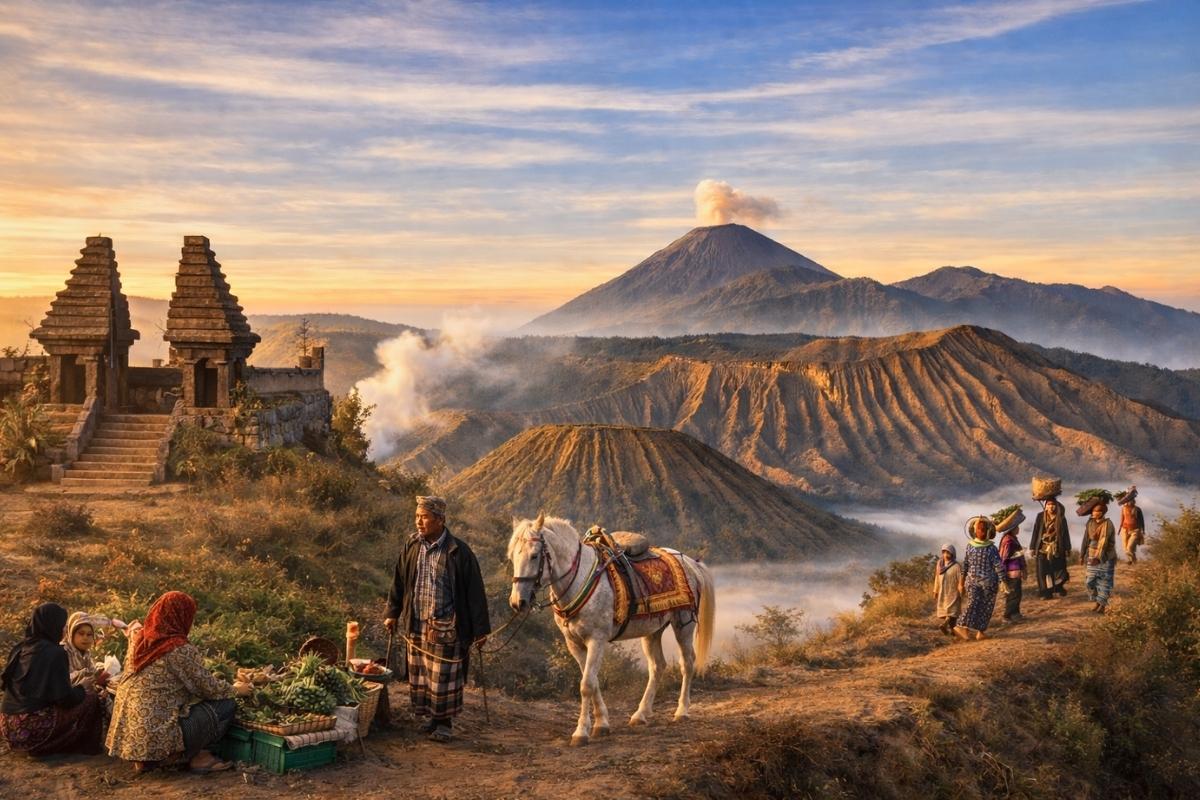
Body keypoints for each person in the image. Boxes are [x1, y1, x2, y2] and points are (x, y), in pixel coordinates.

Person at [385, 496, 491, 743]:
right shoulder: (412, 545)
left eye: (424, 517)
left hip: (446, 627)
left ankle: (444, 723)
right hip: (417, 622)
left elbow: (475, 592)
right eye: (417, 516)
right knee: (423, 675)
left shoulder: (458, 552)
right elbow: (399, 582)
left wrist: (480, 630)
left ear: (440, 520)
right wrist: (392, 613)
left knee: (443, 676)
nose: (419, 522)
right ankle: (431, 718)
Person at [105, 591, 235, 773]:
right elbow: (209, 689)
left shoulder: (140, 640)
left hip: (129, 739)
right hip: (154, 738)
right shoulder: (177, 648)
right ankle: (199, 756)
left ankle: (145, 760)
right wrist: (237, 689)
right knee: (226, 704)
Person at [0, 603, 104, 756]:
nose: (63, 630)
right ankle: (84, 747)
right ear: (53, 626)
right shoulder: (56, 653)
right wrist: (82, 687)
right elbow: (65, 700)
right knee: (92, 699)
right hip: (30, 729)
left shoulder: (20, 647)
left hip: (7, 727)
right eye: (62, 626)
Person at [955, 517, 1004, 641]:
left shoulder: (991, 548)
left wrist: (1003, 581)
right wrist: (961, 583)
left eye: (984, 529)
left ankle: (980, 632)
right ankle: (962, 627)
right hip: (972, 582)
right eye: (979, 529)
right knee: (973, 603)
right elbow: (965, 565)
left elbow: (998, 565)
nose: (981, 531)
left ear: (988, 531)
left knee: (986, 607)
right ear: (975, 531)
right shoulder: (970, 546)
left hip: (989, 583)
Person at [1030, 496, 1071, 599]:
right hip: (1042, 547)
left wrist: (1067, 548)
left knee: (1059, 569)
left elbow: (1065, 534)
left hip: (1056, 547)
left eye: (1053, 504)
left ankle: (1057, 587)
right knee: (1042, 571)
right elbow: (1035, 531)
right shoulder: (1040, 516)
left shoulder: (1061, 518)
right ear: (1045, 506)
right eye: (1048, 504)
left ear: (1056, 506)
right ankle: (1045, 592)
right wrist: (1032, 547)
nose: (1051, 507)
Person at [1080, 502, 1118, 613]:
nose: (1095, 513)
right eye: (1093, 511)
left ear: (1102, 512)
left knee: (1104, 581)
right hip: (1091, 555)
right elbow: (1086, 539)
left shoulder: (1108, 524)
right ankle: (1097, 600)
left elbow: (1104, 542)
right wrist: (1082, 555)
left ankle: (1102, 605)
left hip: (1106, 557)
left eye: (1097, 511)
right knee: (1090, 581)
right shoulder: (1090, 523)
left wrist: (1099, 557)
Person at [996, 511, 1027, 623]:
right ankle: (1007, 615)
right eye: (1017, 527)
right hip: (1011, 572)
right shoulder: (1008, 540)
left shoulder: (1012, 538)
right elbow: (1004, 558)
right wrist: (1002, 576)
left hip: (1014, 571)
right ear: (1013, 528)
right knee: (1013, 595)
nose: (1018, 529)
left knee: (1016, 594)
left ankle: (1016, 613)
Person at [932, 543, 962, 635]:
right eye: (944, 552)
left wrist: (961, 591)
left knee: (952, 612)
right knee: (946, 612)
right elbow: (937, 578)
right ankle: (952, 630)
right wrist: (935, 591)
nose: (946, 555)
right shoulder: (939, 565)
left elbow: (960, 580)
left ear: (952, 554)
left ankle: (947, 625)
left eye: (948, 553)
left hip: (953, 592)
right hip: (943, 592)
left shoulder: (956, 566)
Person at [1116, 486, 1145, 565]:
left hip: (1135, 530)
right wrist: (1119, 529)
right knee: (1126, 548)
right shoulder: (1124, 508)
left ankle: (1133, 561)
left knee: (1129, 548)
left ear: (1134, 501)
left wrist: (1143, 530)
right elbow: (1122, 518)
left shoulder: (1137, 509)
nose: (1131, 502)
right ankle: (1131, 561)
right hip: (1125, 529)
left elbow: (1141, 520)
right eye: (1130, 500)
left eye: (1132, 500)